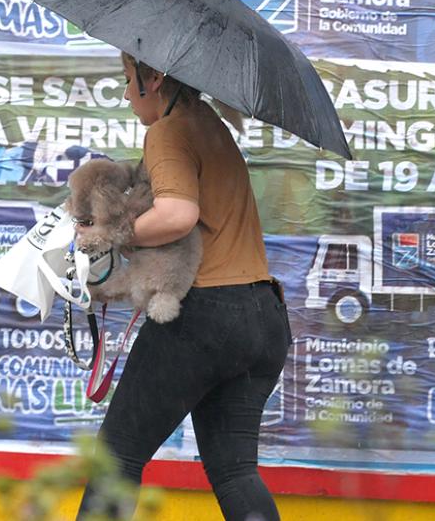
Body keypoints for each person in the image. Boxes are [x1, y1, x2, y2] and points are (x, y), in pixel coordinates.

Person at [76, 53, 292, 521]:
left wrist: (107, 238)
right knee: (235, 472)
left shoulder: (169, 130)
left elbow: (177, 215)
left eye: (127, 79)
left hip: (205, 316)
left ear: (152, 78)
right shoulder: (211, 125)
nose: (126, 93)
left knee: (116, 460)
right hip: (263, 315)